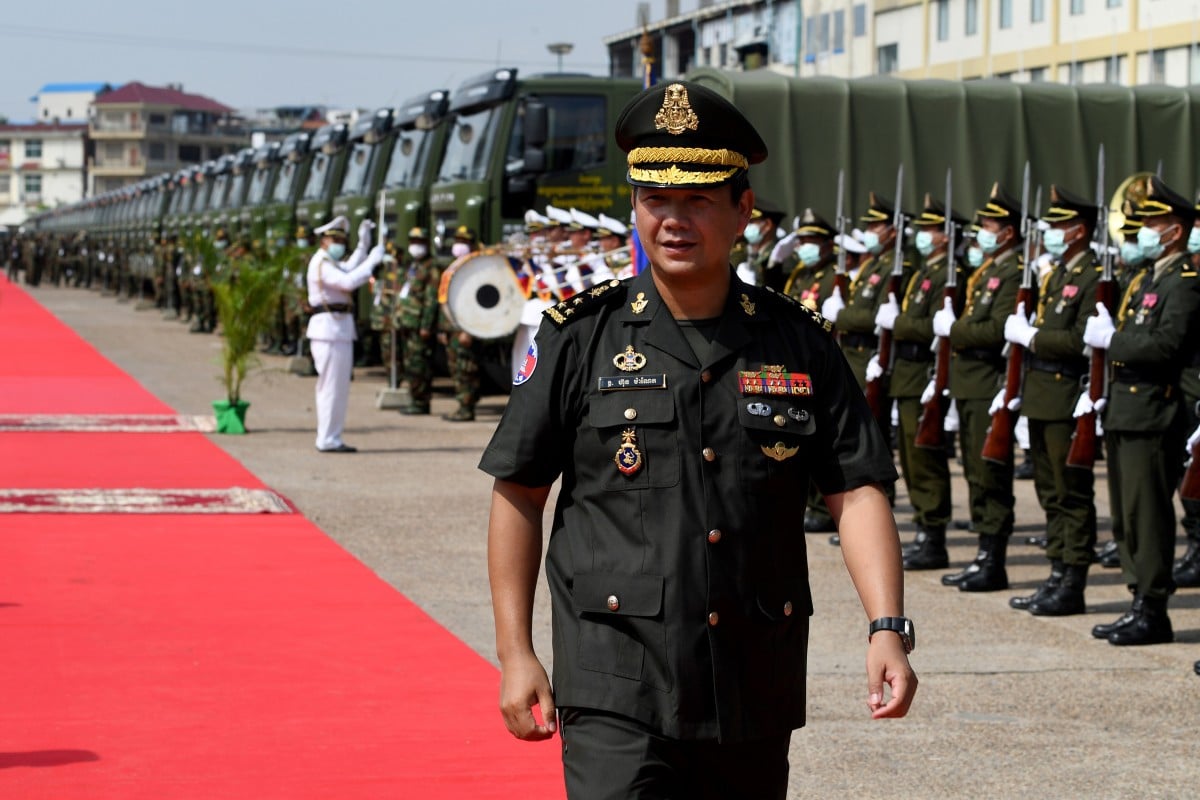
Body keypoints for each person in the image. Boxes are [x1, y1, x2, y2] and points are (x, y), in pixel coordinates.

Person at [481, 80, 915, 800]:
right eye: (656, 199)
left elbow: (855, 488)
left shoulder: (796, 342)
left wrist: (887, 627)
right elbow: (520, 493)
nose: (674, 220)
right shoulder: (578, 338)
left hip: (750, 676)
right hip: (613, 675)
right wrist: (515, 651)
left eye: (698, 200)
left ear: (743, 210)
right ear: (635, 207)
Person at [1085, 175, 1200, 645]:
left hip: (1154, 412)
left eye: (1154, 223)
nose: (1145, 231)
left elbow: (1166, 345)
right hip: (1126, 409)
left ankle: (1153, 609)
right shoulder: (1149, 277)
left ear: (1175, 230)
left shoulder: (1184, 283)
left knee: (1148, 516)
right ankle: (1139, 600)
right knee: (1127, 516)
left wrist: (1113, 341)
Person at [1004, 186, 1101, 615]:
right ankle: (1057, 572)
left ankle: (1072, 582)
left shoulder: (1093, 276)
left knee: (1071, 492)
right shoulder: (1057, 274)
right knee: (1050, 492)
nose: (1052, 233)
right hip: (1041, 394)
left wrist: (1032, 337)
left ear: (1079, 230)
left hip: (1065, 395)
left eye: (1060, 225)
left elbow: (1082, 339)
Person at [933, 183, 1023, 592]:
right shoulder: (988, 271)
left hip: (988, 383)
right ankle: (983, 554)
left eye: (989, 225)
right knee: (974, 471)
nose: (982, 232)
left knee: (990, 473)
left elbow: (996, 329)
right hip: (969, 383)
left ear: (1008, 232)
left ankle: (993, 560)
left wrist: (954, 329)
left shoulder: (1013, 272)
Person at [885, 193, 964, 570]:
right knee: (911, 458)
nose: (922, 234)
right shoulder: (922, 273)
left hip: (923, 373)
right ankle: (923, 528)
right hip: (906, 375)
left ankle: (933, 536)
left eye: (930, 229)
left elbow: (934, 326)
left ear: (946, 235)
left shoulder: (949, 275)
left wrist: (896, 323)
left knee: (925, 458)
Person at [305, 215, 384, 452]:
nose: (339, 244)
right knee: (331, 388)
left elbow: (348, 268)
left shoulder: (329, 261)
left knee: (336, 388)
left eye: (342, 240)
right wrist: (372, 261)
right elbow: (348, 281)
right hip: (329, 330)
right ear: (324, 241)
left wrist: (363, 246)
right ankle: (328, 438)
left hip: (336, 329)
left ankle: (331, 436)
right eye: (335, 240)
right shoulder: (321, 263)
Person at [439, 226, 483, 422]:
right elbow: (445, 299)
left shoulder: (476, 268)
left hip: (466, 329)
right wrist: (443, 328)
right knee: (456, 369)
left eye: (464, 242)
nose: (459, 245)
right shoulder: (453, 267)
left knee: (467, 369)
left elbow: (477, 303)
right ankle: (462, 405)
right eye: (457, 241)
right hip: (451, 328)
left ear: (472, 245)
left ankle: (467, 407)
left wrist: (469, 331)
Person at [396, 227, 441, 415]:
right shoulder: (412, 266)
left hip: (419, 324)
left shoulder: (431, 267)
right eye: (413, 242)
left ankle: (421, 401)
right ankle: (415, 398)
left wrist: (426, 326)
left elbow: (431, 300)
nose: (415, 246)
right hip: (407, 322)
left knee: (420, 364)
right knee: (410, 364)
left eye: (419, 242)